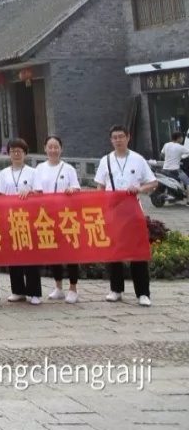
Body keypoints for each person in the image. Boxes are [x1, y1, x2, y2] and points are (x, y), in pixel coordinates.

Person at [94, 124, 157, 306]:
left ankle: (143, 293)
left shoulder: (138, 159)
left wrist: (139, 188)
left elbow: (153, 183)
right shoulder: (105, 160)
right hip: (113, 211)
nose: (118, 140)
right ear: (111, 140)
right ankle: (116, 289)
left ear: (128, 137)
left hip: (133, 212)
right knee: (114, 251)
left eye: (121, 137)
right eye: (115, 137)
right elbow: (99, 185)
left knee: (137, 252)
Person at [29, 135, 83, 303]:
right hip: (47, 216)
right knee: (54, 251)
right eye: (50, 147)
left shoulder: (68, 169)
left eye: (56, 147)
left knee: (71, 252)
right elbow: (36, 191)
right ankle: (58, 286)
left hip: (66, 215)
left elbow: (77, 189)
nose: (53, 150)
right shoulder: (39, 169)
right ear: (45, 148)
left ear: (61, 149)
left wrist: (71, 190)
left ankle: (73, 288)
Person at [0, 137, 41, 305]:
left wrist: (29, 190)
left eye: (19, 151)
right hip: (10, 219)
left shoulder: (33, 172)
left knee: (30, 256)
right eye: (13, 151)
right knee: (13, 256)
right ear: (8, 154)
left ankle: (34, 292)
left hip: (29, 219)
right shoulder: (3, 174)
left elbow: (39, 193)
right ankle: (18, 290)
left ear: (25, 154)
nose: (16, 154)